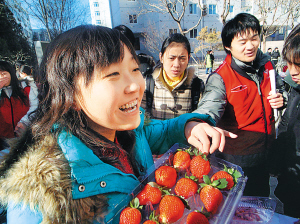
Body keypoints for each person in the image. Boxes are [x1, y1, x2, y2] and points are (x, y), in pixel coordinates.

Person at [0, 25, 236, 224]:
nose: (135, 85)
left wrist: (188, 126)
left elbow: (157, 132)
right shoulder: (40, 198)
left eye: (134, 69)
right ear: (70, 96)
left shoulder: (126, 131)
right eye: (113, 74)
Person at [194, 13, 286, 197]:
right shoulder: (221, 77)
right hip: (235, 163)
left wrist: (281, 98)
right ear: (228, 46)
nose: (250, 46)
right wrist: (198, 123)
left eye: (254, 38)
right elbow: (209, 108)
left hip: (265, 154)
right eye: (242, 42)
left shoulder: (267, 64)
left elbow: (281, 89)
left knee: (259, 206)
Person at [268, 23, 300, 218]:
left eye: (299, 65)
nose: (292, 72)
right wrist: (276, 161)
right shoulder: (296, 90)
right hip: (293, 181)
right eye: (290, 64)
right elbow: (287, 127)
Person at [141, 33, 205, 120]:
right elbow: (140, 119)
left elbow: (200, 118)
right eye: (171, 58)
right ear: (161, 57)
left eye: (182, 58)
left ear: (188, 58)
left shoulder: (196, 85)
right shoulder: (148, 83)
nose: (176, 64)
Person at [0, 61, 36, 149]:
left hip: (25, 136)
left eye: (4, 73)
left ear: (11, 74)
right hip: (3, 141)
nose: (1, 77)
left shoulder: (26, 89)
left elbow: (35, 107)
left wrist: (24, 122)